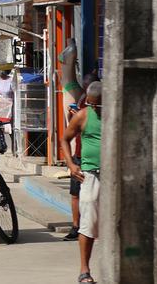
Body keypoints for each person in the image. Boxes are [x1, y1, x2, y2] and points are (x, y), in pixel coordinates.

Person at [59, 79, 102, 284]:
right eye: (91, 103)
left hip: (116, 177)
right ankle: (84, 270)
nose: (94, 107)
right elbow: (65, 139)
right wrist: (71, 164)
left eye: (97, 104)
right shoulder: (83, 115)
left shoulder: (119, 114)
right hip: (91, 175)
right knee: (88, 225)